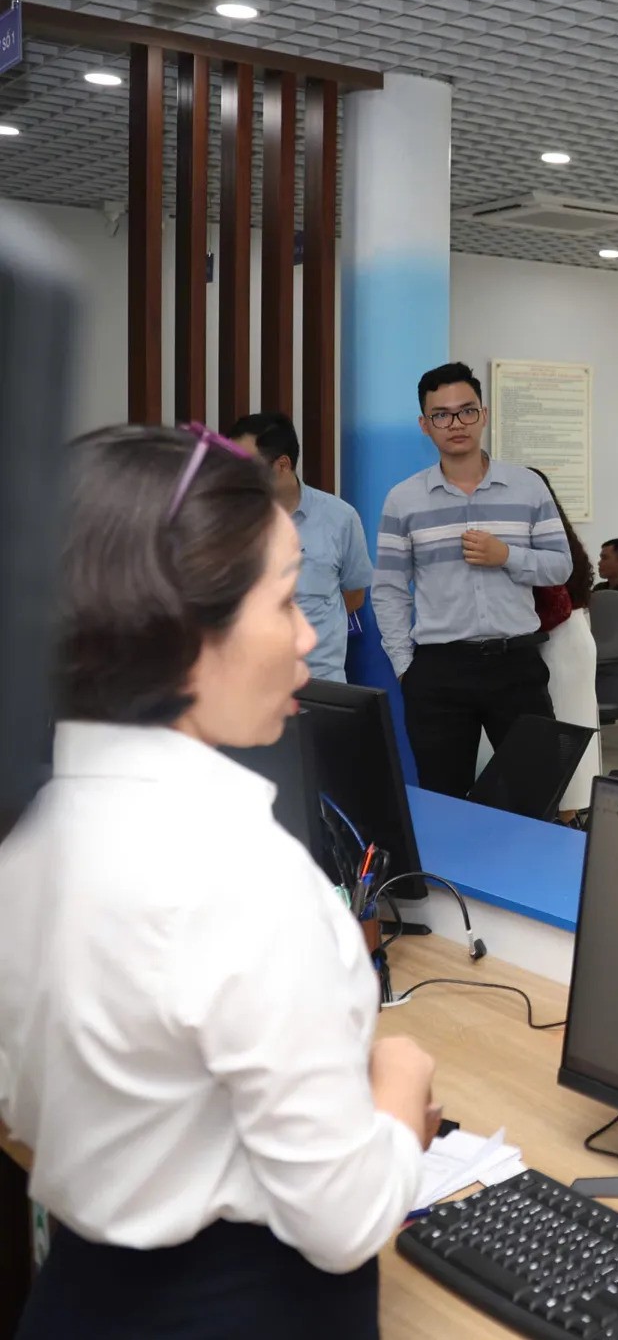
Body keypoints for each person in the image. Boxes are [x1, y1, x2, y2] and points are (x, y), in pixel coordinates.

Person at [1, 426, 434, 1339]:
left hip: (76, 1299)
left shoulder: (31, 840)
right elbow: (346, 1220)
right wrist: (400, 1087)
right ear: (189, 635)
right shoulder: (243, 876)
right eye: (285, 600)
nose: (309, 635)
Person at [372, 361, 571, 796]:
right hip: (439, 669)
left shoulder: (528, 487)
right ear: (425, 425)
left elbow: (560, 566)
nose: (456, 423)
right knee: (443, 798)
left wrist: (507, 556)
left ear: (484, 415)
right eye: (441, 415)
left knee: (537, 793)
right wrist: (405, 668)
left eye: (466, 411)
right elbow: (388, 589)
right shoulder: (403, 500)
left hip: (516, 664)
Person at [226, 411, 372, 684]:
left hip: (321, 681)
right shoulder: (229, 523)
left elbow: (355, 594)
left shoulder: (340, 518)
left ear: (282, 465)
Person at [528, 469, 602, 822]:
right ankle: (569, 817)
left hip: (556, 642)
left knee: (559, 731)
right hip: (574, 638)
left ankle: (564, 818)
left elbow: (554, 606)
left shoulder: (537, 535)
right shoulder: (560, 531)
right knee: (573, 728)